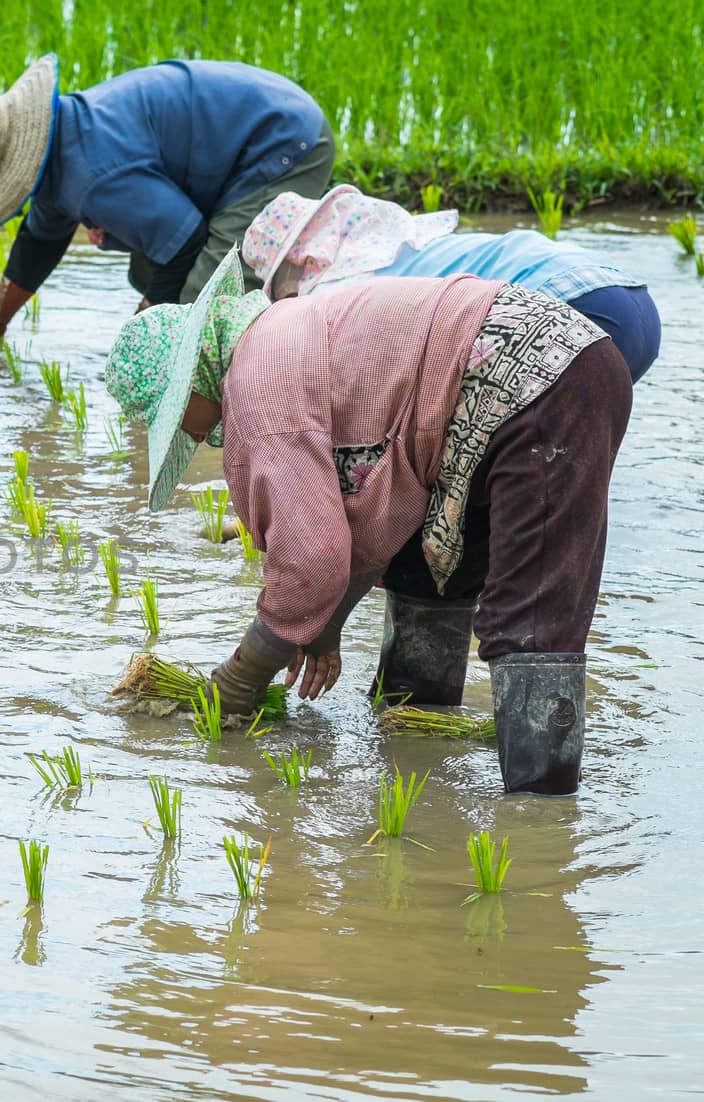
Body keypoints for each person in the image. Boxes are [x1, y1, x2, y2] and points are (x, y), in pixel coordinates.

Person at [104, 248, 632, 796]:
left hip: (540, 384)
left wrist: (238, 683)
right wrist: (325, 626)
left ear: (187, 384)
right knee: (426, 567)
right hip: (531, 383)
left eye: (167, 418)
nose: (185, 435)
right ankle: (420, 740)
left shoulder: (255, 380)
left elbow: (310, 559)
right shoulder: (279, 339)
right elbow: (367, 517)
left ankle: (539, 820)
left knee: (530, 618)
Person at [0, 55, 334, 333]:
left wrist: (142, 341)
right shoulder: (63, 142)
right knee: (150, 269)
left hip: (281, 141)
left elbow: (185, 242)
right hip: (236, 142)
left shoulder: (92, 173)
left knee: (204, 307)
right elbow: (37, 246)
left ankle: (281, 358)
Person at [241, 185, 663, 381]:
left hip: (566, 310)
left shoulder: (339, 293)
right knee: (563, 462)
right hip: (630, 299)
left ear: (300, 263)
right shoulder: (400, 247)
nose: (288, 301)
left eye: (281, 289)